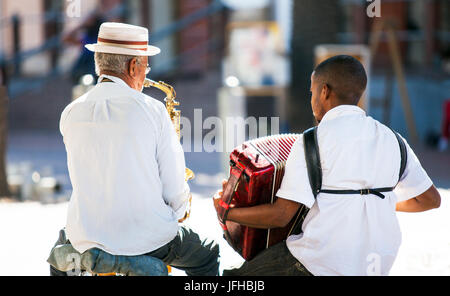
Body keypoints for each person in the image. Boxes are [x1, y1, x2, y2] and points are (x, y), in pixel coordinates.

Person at [214, 55, 441, 276]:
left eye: (312, 92)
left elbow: (281, 215)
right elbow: (430, 200)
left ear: (325, 91)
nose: (312, 100)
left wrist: (228, 212)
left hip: (318, 264)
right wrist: (374, 203)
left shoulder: (313, 141)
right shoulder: (394, 139)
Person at [50, 22, 219, 276]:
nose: (146, 73)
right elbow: (175, 189)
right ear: (132, 67)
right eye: (145, 66)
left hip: (86, 235)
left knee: (59, 261)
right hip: (147, 238)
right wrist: (179, 212)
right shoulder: (153, 110)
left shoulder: (70, 113)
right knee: (208, 254)